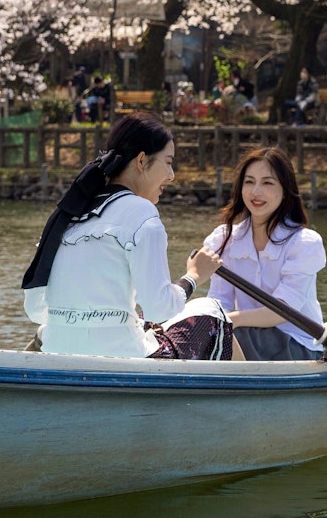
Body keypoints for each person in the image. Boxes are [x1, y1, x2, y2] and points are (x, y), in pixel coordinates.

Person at [21, 113, 235, 359]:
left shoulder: (71, 212)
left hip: (57, 352)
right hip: (124, 359)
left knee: (139, 317)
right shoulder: (142, 213)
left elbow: (35, 310)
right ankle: (248, 393)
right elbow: (160, 308)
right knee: (214, 312)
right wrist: (194, 276)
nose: (172, 175)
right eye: (168, 162)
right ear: (142, 161)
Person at [202, 148, 326, 361]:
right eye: (249, 182)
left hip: (299, 343)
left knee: (226, 335)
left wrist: (228, 322)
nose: (255, 192)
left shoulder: (304, 243)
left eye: (267, 183)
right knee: (212, 335)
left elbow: (282, 311)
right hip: (245, 337)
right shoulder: (223, 239)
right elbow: (219, 301)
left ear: (285, 189)